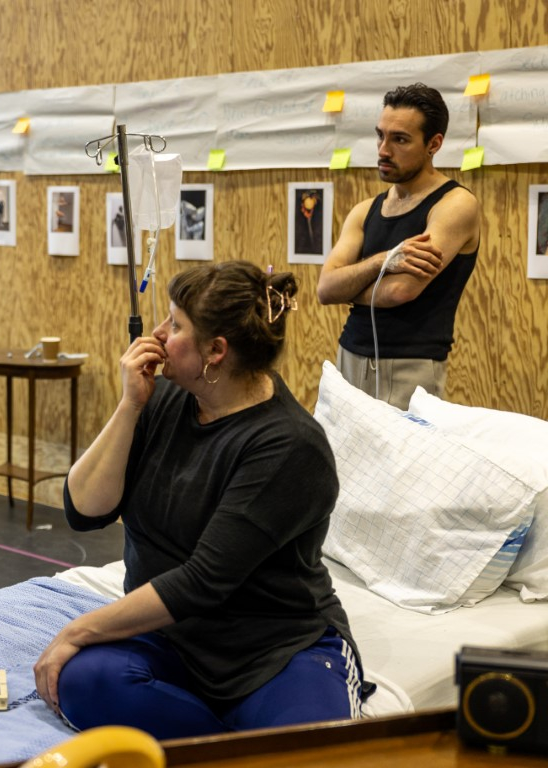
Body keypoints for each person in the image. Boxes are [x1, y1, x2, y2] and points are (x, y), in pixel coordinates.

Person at [33, 261, 365, 740]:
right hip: (170, 636)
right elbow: (84, 511)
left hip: (270, 650)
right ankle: (235, 745)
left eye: (175, 325)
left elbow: (202, 582)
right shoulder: (164, 396)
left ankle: (233, 740)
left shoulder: (289, 447)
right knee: (83, 682)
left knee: (308, 747)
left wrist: (76, 631)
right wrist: (129, 405)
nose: (159, 334)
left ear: (216, 351)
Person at [317, 83, 481, 410]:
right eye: (380, 135)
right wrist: (384, 261)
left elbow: (400, 292)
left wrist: (346, 286)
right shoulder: (365, 209)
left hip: (411, 364)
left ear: (434, 144)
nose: (383, 150)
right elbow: (324, 289)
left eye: (400, 139)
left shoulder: (454, 204)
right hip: (350, 352)